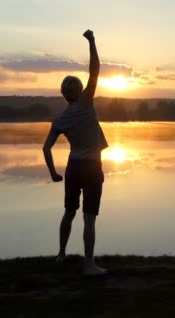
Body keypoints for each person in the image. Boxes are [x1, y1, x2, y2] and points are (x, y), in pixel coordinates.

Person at [43, 29, 109, 276]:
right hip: (91, 168)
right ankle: (89, 265)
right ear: (80, 92)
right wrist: (92, 41)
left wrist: (53, 173)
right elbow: (95, 70)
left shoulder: (60, 119)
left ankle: (61, 254)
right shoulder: (86, 103)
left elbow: (46, 148)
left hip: (72, 169)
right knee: (89, 218)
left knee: (69, 212)